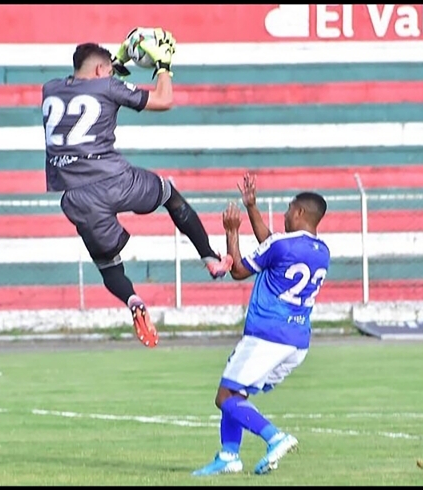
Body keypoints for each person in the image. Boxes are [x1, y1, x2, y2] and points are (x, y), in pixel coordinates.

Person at [41, 29, 233, 349]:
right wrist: (162, 66)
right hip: (114, 180)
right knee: (169, 194)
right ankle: (211, 259)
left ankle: (133, 301)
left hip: (75, 196)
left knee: (108, 265)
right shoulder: (108, 85)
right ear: (102, 71)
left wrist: (116, 61)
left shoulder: (51, 89)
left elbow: (93, 81)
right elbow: (163, 100)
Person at [192, 173, 331, 476]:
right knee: (237, 392)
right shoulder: (321, 251)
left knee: (225, 397)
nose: (283, 214)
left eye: (288, 209)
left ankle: (275, 437)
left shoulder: (282, 245)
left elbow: (240, 271)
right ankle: (229, 456)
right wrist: (252, 207)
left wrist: (232, 232)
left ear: (299, 212)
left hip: (267, 334)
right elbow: (272, 245)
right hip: (297, 341)